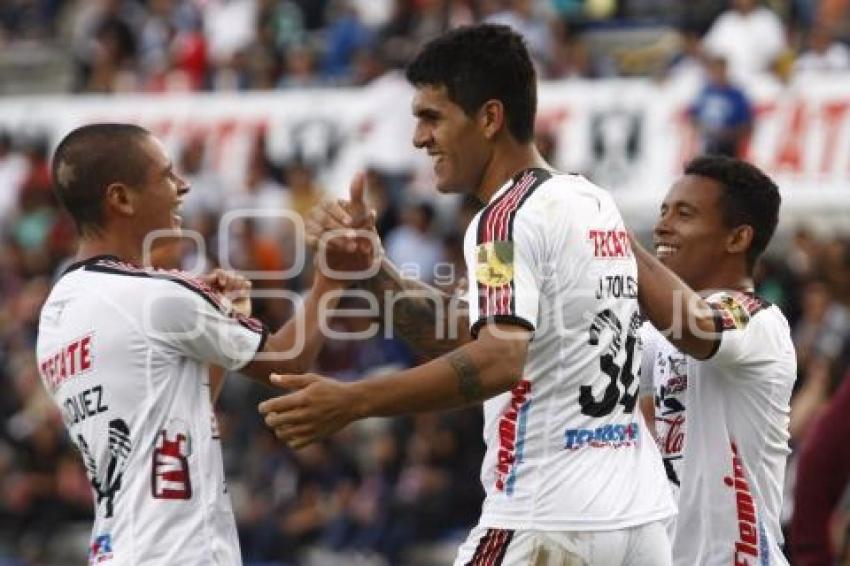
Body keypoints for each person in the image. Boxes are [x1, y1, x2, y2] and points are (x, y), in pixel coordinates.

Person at [260, 24, 675, 565]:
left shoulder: (502, 220)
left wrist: (353, 400)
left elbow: (499, 359)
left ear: (489, 118)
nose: (418, 139)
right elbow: (470, 335)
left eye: (432, 117)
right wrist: (373, 272)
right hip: (635, 523)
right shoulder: (591, 201)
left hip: (546, 518)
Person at [35, 123, 355, 564]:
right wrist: (331, 277)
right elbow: (288, 360)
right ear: (121, 199)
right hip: (179, 552)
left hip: (118, 549)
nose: (182, 187)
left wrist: (220, 325)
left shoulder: (57, 312)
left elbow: (183, 408)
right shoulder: (155, 295)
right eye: (166, 176)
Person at [634, 155, 796, 565]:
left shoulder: (757, 319)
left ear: (737, 238)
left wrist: (611, 237)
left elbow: (696, 326)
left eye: (684, 214)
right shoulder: (660, 331)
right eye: (663, 211)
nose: (662, 226)